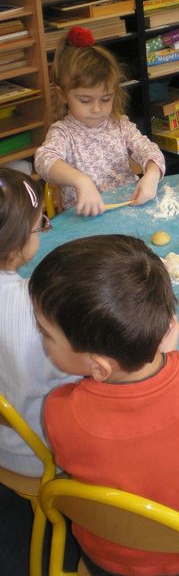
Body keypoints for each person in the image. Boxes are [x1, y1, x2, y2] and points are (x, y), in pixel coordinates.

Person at [30, 234, 179, 576]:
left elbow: (74, 462)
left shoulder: (60, 410)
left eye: (45, 334)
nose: (41, 341)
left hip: (106, 560)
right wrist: (170, 357)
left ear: (99, 366)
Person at [34, 26, 166, 216]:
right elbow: (44, 161)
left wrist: (152, 175)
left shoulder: (120, 125)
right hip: (86, 220)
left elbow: (150, 151)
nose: (96, 109)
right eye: (85, 100)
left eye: (105, 99)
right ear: (62, 95)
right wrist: (81, 181)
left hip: (128, 211)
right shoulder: (63, 132)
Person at [0, 167, 76, 475]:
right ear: (16, 245)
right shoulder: (35, 306)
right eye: (39, 227)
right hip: (40, 452)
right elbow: (83, 373)